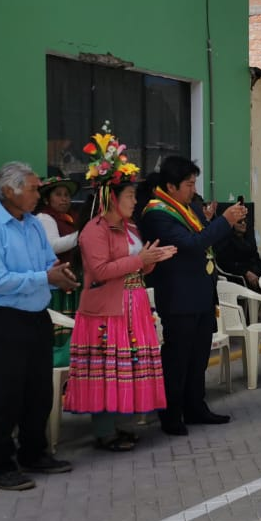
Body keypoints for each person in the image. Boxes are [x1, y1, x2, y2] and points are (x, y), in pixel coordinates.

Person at [0, 162, 79, 490]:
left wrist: (60, 277)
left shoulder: (31, 226)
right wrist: (45, 277)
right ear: (8, 191)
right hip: (5, 319)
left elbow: (46, 265)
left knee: (38, 391)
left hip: (36, 317)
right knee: (5, 394)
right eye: (32, 188)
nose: (37, 193)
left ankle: (35, 452)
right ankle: (0, 466)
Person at [63, 130, 176, 451]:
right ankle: (104, 431)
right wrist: (138, 259)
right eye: (130, 197)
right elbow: (99, 271)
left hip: (133, 303)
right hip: (107, 309)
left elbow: (136, 266)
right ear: (112, 198)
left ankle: (121, 424)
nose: (135, 202)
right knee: (105, 367)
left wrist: (151, 259)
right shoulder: (93, 231)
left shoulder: (130, 228)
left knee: (128, 365)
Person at [138, 156, 246, 435]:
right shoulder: (157, 213)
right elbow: (190, 244)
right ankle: (171, 415)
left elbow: (206, 242)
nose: (193, 188)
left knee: (198, 356)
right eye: (188, 183)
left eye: (194, 182)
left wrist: (229, 227)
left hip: (200, 291)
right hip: (178, 295)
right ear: (171, 186)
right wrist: (223, 221)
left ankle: (195, 407)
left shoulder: (189, 208)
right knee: (177, 358)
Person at [36, 174, 82, 365]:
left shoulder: (71, 218)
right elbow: (53, 246)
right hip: (56, 285)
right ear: (48, 198)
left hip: (72, 280)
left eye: (66, 195)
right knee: (59, 331)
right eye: (59, 194)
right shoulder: (45, 217)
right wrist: (82, 235)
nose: (64, 199)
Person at [215, 212, 261, 291]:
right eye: (240, 221)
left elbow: (255, 257)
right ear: (232, 224)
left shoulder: (247, 238)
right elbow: (226, 263)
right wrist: (246, 272)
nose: (243, 223)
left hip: (254, 271)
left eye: (245, 221)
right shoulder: (226, 240)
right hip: (238, 275)